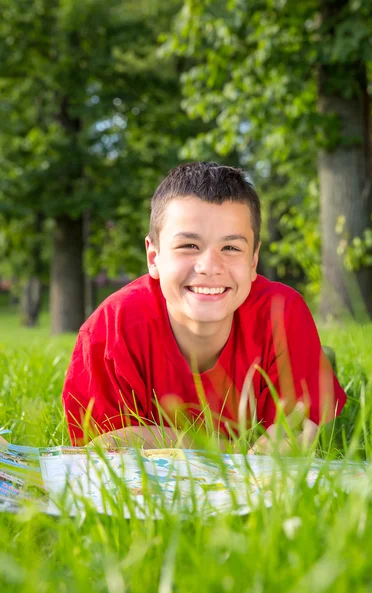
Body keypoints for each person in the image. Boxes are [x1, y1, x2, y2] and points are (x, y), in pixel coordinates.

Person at [62, 162, 346, 452]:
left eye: (231, 248)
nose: (210, 266)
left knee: (323, 395)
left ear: (253, 261)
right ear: (153, 257)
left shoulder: (281, 313)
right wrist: (232, 452)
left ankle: (322, 359)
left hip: (289, 354)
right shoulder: (111, 329)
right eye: (189, 246)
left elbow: (296, 439)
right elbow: (103, 450)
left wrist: (154, 437)